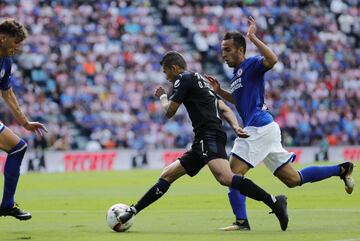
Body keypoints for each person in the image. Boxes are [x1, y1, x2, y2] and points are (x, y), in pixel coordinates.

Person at [204, 16, 354, 231]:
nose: (223, 55)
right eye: (222, 50)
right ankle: (341, 169)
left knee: (231, 174)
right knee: (293, 179)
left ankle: (242, 221)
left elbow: (272, 60)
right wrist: (221, 92)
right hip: (265, 129)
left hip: (258, 128)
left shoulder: (252, 64)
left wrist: (253, 37)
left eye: (227, 50)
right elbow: (241, 101)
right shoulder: (237, 74)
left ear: (240, 50)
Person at [116, 51, 289, 231]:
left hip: (209, 135)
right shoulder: (200, 81)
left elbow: (169, 112)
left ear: (174, 68)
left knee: (226, 178)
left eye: (166, 72)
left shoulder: (182, 79)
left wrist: (162, 97)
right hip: (203, 138)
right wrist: (235, 126)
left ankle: (275, 202)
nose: (166, 77)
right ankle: (132, 210)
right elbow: (224, 107)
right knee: (167, 174)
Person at [0, 18, 48, 220]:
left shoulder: (6, 61)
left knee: (18, 147)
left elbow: (7, 93)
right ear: (2, 38)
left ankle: (7, 206)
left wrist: (25, 123)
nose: (17, 48)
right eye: (15, 43)